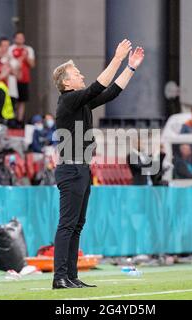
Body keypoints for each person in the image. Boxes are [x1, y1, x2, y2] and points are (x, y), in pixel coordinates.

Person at [51, 39, 144, 289]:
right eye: (76, 74)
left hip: (81, 168)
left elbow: (112, 91)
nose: (81, 75)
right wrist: (117, 58)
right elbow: (98, 85)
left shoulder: (80, 103)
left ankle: (70, 275)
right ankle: (59, 277)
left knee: (77, 225)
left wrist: (130, 67)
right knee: (67, 224)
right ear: (66, 83)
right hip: (71, 169)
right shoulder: (68, 100)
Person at [8, 32, 35, 125]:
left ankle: (19, 119)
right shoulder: (10, 49)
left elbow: (32, 64)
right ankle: (11, 118)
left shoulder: (28, 49)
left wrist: (25, 56)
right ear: (14, 39)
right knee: (12, 99)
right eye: (18, 37)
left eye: (21, 37)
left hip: (24, 79)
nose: (19, 39)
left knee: (22, 100)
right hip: (13, 79)